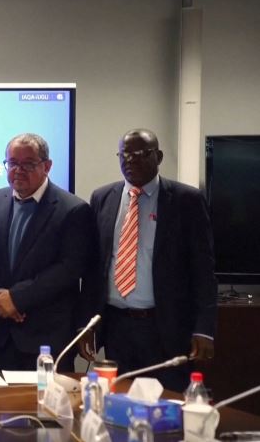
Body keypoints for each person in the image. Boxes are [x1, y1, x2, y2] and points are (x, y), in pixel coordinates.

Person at [77, 128, 216, 391]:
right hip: (116, 326)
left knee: (168, 402)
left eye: (140, 154)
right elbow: (93, 269)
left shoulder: (186, 200)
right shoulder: (102, 198)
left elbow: (203, 270)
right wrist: (87, 324)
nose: (131, 160)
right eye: (124, 155)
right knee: (120, 400)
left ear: (158, 156)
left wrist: (204, 328)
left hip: (166, 326)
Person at [0, 133, 92, 372]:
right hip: (1, 334)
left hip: (48, 339)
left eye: (28, 164)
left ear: (47, 166)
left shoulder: (73, 209)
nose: (18, 170)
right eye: (12, 163)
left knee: (49, 399)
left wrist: (17, 298)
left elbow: (69, 269)